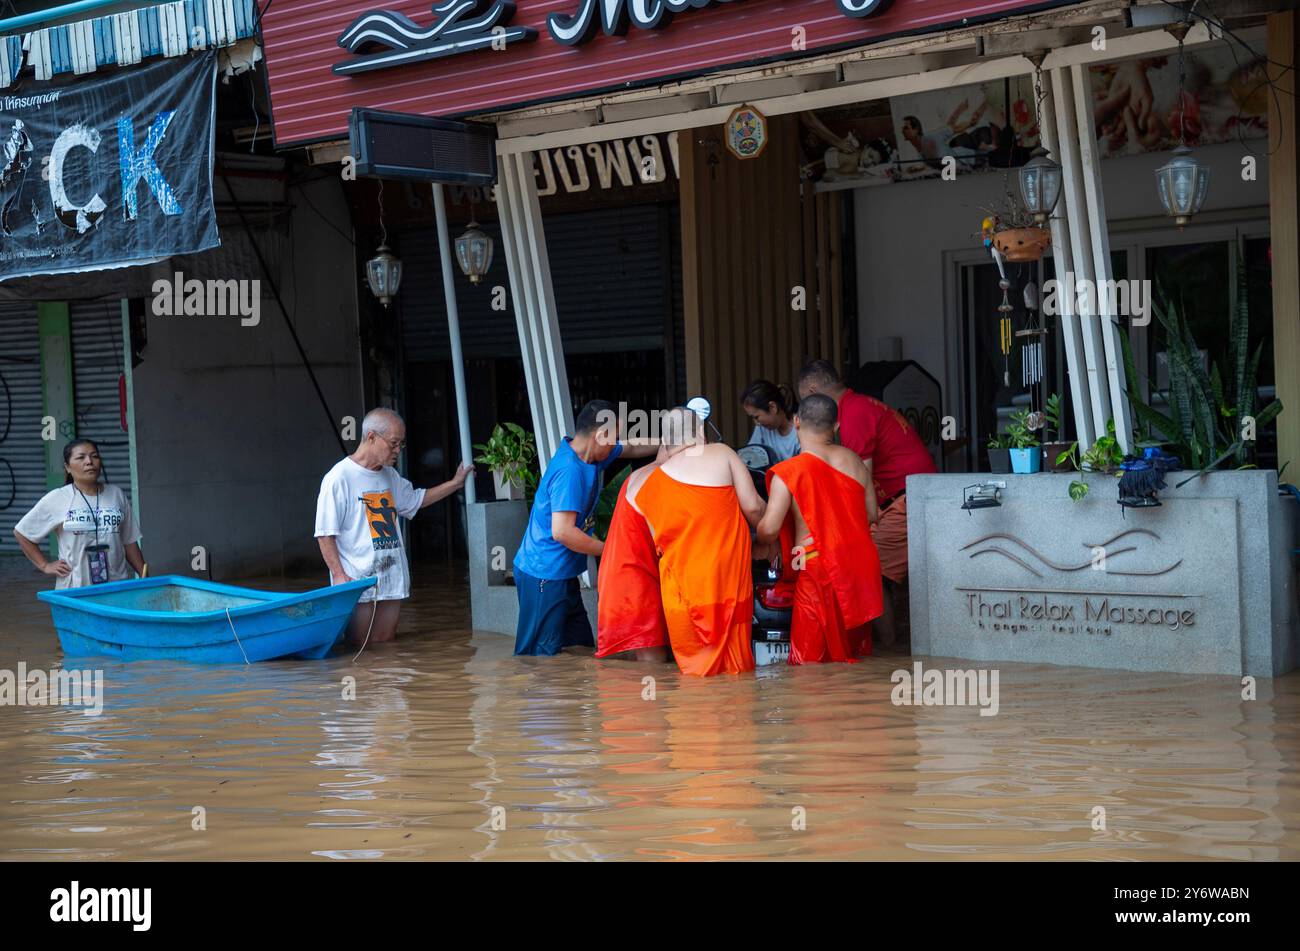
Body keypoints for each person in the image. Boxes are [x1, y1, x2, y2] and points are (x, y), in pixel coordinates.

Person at [796, 359, 935, 644]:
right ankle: (892, 644)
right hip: (906, 495)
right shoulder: (859, 404)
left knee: (872, 569)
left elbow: (859, 481)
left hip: (909, 498)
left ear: (812, 390)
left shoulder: (854, 413)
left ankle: (885, 647)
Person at [626, 407, 765, 676]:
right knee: (734, 675)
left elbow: (660, 542)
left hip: (680, 595)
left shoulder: (648, 484)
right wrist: (770, 537)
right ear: (701, 431)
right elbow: (755, 508)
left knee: (693, 675)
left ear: (666, 440)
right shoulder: (721, 453)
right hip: (725, 587)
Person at [315, 408, 471, 648]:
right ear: (371, 437)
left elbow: (416, 500)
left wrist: (455, 484)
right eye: (393, 443)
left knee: (386, 645)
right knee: (358, 646)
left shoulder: (390, 476)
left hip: (391, 577)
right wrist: (338, 575)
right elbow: (325, 534)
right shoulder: (338, 478)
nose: (398, 450)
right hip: (357, 579)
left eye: (401, 444)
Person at [513, 400, 658, 657]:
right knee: (538, 659)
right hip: (544, 575)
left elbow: (634, 447)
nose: (617, 443)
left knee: (579, 649)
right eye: (614, 437)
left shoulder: (590, 457)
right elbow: (562, 531)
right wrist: (613, 550)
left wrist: (672, 442)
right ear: (599, 435)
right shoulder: (569, 470)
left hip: (564, 575)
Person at [756, 395, 883, 665]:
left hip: (819, 569)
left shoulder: (790, 471)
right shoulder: (855, 462)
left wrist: (756, 537)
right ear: (836, 426)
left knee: (809, 664)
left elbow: (769, 528)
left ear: (796, 421)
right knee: (851, 656)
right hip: (859, 570)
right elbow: (872, 515)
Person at [13, 438, 145, 588]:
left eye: (94, 456)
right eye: (81, 457)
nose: (89, 461)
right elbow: (22, 533)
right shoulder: (58, 498)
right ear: (68, 467)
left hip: (116, 585)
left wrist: (143, 574)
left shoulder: (116, 494)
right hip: (75, 588)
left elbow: (129, 541)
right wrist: (44, 565)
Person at [595, 446, 670, 663]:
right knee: (652, 662)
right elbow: (665, 537)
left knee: (632, 667)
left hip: (619, 578)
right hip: (635, 583)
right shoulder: (660, 477)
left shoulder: (639, 474)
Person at [740, 380, 800, 462]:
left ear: (772, 407)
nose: (756, 423)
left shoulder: (801, 428)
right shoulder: (761, 429)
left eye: (756, 417)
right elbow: (749, 456)